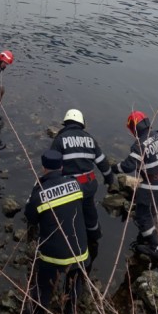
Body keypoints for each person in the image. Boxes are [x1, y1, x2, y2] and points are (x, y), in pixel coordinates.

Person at [24, 149, 89, 314]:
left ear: (44, 168)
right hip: (80, 252)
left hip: (52, 256)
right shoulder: (76, 184)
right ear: (61, 166)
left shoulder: (39, 193)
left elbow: (30, 217)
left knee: (43, 288)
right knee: (73, 285)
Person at [51, 108, 119, 269]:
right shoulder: (90, 139)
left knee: (69, 213)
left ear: (66, 123)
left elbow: (52, 165)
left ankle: (70, 242)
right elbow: (102, 163)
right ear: (82, 124)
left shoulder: (60, 139)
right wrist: (110, 180)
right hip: (89, 185)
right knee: (89, 211)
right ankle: (94, 236)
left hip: (71, 187)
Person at [112, 111, 158, 262]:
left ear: (134, 128)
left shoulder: (139, 146)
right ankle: (146, 233)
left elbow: (127, 166)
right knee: (150, 209)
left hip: (153, 184)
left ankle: (154, 248)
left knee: (142, 215)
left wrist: (113, 168)